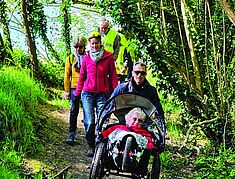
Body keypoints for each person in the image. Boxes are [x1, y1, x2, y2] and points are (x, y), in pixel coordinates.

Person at [74, 30, 118, 157]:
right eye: (92, 44)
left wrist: (114, 93)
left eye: (97, 43)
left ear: (100, 43)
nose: (94, 46)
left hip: (102, 94)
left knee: (102, 121)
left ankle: (100, 145)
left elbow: (113, 77)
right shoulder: (87, 58)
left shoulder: (108, 57)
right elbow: (82, 76)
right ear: (89, 44)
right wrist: (77, 93)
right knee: (90, 121)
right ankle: (91, 145)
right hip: (87, 93)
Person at [111, 61, 165, 150]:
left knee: (153, 144)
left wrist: (161, 128)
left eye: (142, 73)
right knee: (107, 137)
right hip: (123, 121)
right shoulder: (122, 88)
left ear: (145, 74)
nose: (139, 75)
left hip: (143, 124)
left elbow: (158, 110)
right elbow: (110, 104)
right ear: (132, 73)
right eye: (137, 72)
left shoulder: (151, 91)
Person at [64, 35, 87, 145]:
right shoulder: (70, 58)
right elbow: (67, 75)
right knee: (74, 111)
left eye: (81, 47)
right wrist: (67, 90)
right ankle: (71, 133)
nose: (78, 49)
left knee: (88, 112)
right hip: (74, 88)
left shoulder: (89, 57)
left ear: (84, 46)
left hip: (87, 88)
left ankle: (89, 135)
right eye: (76, 47)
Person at [98, 17, 128, 83]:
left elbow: (116, 50)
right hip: (97, 61)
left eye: (105, 28)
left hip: (109, 61)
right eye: (102, 28)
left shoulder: (114, 35)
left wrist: (111, 60)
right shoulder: (95, 33)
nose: (103, 29)